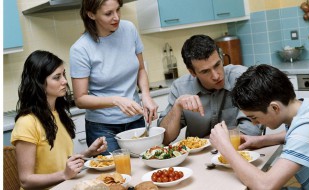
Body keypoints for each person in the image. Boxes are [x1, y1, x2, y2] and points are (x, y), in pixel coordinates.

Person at [69, 0, 158, 153]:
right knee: (113, 176)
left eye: (118, 10)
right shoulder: (80, 49)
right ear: (91, 14)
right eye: (108, 13)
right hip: (102, 128)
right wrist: (116, 100)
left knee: (143, 169)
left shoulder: (129, 29)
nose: (116, 17)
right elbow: (80, 99)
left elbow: (141, 69)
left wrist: (146, 96)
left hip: (135, 120)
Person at [11, 50, 107, 190]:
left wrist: (88, 153)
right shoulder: (27, 122)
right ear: (39, 82)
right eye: (57, 77)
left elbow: (59, 162)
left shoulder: (58, 113)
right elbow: (26, 180)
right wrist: (64, 174)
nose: (65, 81)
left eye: (63, 74)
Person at [209, 64, 309, 189]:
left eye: (254, 117)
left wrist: (225, 148)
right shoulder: (307, 107)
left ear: (274, 107)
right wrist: (261, 140)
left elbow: (265, 186)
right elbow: (298, 135)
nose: (254, 123)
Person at [158, 34, 264, 145]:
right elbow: (164, 138)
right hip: (199, 159)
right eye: (205, 71)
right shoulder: (180, 88)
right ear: (192, 72)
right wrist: (177, 107)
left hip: (239, 151)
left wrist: (211, 141)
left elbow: (253, 130)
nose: (216, 76)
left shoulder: (242, 78)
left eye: (217, 65)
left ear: (221, 58)